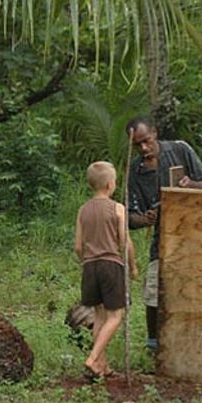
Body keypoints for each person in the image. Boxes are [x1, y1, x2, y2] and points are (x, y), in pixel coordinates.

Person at [125, 117, 202, 353]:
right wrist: (145, 219)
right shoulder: (135, 170)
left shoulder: (180, 150)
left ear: (155, 133)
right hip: (162, 240)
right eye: (138, 145)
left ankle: (196, 340)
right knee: (153, 292)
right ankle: (153, 345)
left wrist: (189, 185)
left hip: (194, 233)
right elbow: (130, 217)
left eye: (147, 141)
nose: (144, 148)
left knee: (195, 289)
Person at [74, 161, 137, 380]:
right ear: (111, 184)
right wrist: (133, 266)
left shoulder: (83, 210)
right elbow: (125, 241)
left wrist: (87, 261)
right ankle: (92, 358)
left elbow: (78, 246)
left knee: (99, 315)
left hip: (90, 266)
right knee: (115, 316)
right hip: (111, 265)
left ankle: (102, 365)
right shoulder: (117, 208)